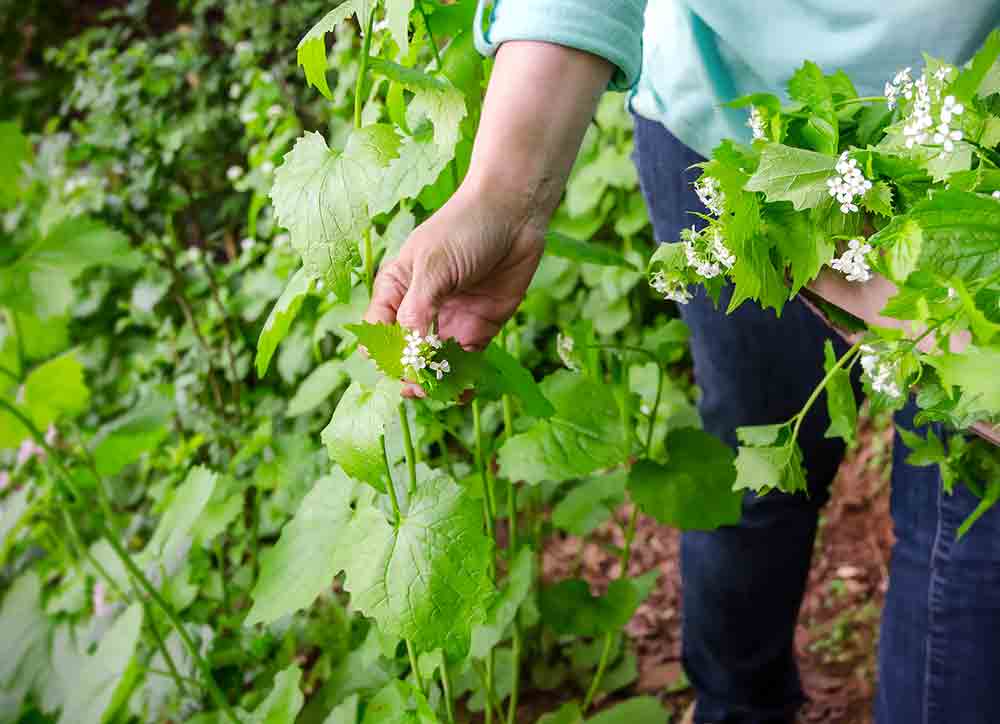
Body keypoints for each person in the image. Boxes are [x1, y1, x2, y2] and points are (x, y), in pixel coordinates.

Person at [364, 1, 1000, 722]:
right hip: (735, 134)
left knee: (975, 538)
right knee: (755, 469)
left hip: (981, 168)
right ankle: (734, 703)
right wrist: (506, 194)